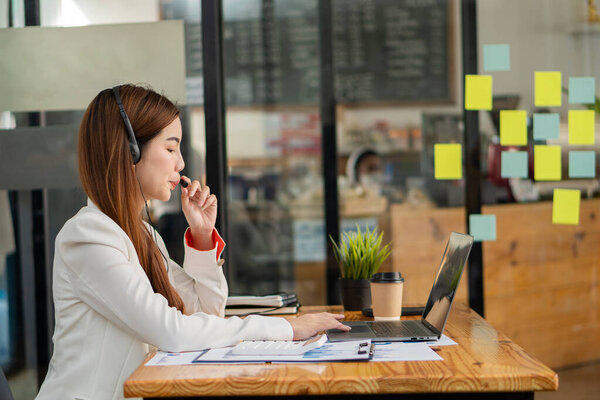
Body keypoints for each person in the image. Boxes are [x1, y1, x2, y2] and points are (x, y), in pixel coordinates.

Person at [35, 84, 350, 400]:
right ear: (129, 150)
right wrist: (288, 329)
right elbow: (171, 330)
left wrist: (201, 237)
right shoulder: (89, 236)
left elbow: (204, 315)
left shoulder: (143, 235)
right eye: (171, 148)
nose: (181, 164)